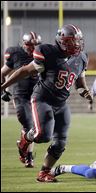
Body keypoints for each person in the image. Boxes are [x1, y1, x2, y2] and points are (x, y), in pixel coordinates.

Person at [1, 24, 93, 183]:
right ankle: (26, 137)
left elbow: (79, 83)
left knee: (60, 142)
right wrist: (3, 86)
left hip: (61, 103)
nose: (76, 45)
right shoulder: (48, 52)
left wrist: (85, 92)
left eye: (78, 41)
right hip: (42, 98)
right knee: (43, 136)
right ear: (62, 41)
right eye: (72, 42)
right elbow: (25, 71)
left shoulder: (81, 58)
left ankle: (44, 172)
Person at [1, 31, 42, 168]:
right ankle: (25, 152)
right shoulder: (15, 53)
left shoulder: (42, 54)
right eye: (30, 45)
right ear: (24, 44)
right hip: (20, 95)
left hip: (36, 95)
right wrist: (3, 90)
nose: (33, 48)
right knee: (29, 124)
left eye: (35, 45)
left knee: (33, 127)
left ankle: (27, 156)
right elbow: (2, 72)